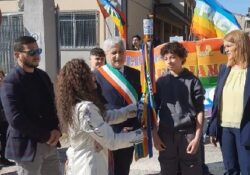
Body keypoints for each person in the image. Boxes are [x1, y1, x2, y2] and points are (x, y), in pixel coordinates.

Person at [55, 58, 144, 175]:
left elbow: (105, 117)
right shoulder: (85, 109)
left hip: (84, 162)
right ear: (81, 81)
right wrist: (141, 134)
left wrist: (135, 109)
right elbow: (111, 141)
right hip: (88, 166)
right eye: (89, 74)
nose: (94, 77)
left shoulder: (77, 104)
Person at [0, 36, 61, 175]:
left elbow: (53, 106)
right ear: (17, 55)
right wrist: (46, 135)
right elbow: (15, 119)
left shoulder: (42, 76)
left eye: (38, 51)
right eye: (31, 52)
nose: (37, 55)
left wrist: (57, 129)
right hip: (27, 147)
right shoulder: (10, 82)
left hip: (50, 143)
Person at [152, 42, 205, 175]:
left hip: (188, 135)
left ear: (182, 57)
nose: (169, 61)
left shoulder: (193, 81)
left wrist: (197, 138)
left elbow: (200, 111)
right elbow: (153, 110)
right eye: (165, 58)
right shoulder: (160, 82)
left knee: (192, 170)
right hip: (166, 136)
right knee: (167, 170)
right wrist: (155, 136)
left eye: (173, 57)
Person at [95, 37, 141, 175]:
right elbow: (96, 106)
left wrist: (135, 126)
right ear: (106, 54)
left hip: (129, 132)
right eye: (114, 52)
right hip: (107, 132)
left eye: (121, 52)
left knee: (123, 169)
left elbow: (140, 103)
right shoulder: (96, 76)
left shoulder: (136, 74)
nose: (118, 56)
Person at [207, 30, 250, 175]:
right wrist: (213, 127)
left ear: (240, 45)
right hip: (225, 129)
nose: (225, 50)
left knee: (247, 169)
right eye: (224, 47)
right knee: (230, 169)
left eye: (228, 46)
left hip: (245, 129)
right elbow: (217, 101)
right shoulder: (224, 69)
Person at [0, 70, 15, 168]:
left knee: (5, 138)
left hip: (4, 119)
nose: (0, 79)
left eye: (1, 77)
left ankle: (4, 158)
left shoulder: (5, 89)